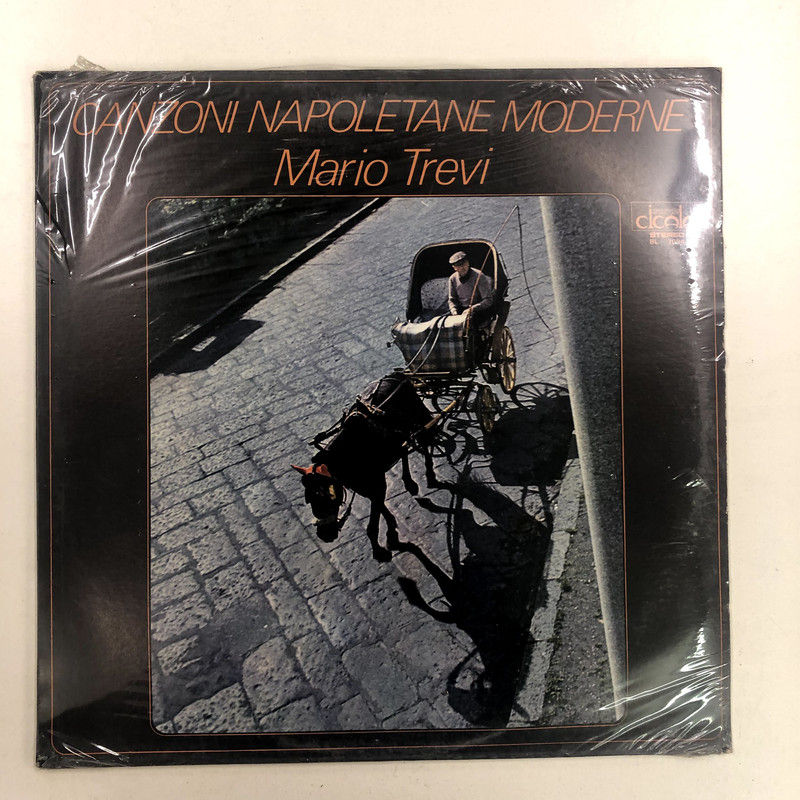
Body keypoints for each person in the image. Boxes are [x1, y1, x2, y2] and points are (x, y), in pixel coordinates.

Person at [447, 251, 494, 326]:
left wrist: (472, 309)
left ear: (468, 263)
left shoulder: (479, 276)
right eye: (458, 265)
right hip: (462, 311)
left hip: (479, 310)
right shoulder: (452, 279)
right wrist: (454, 311)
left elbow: (488, 300)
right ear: (454, 268)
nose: (462, 267)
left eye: (464, 264)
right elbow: (452, 300)